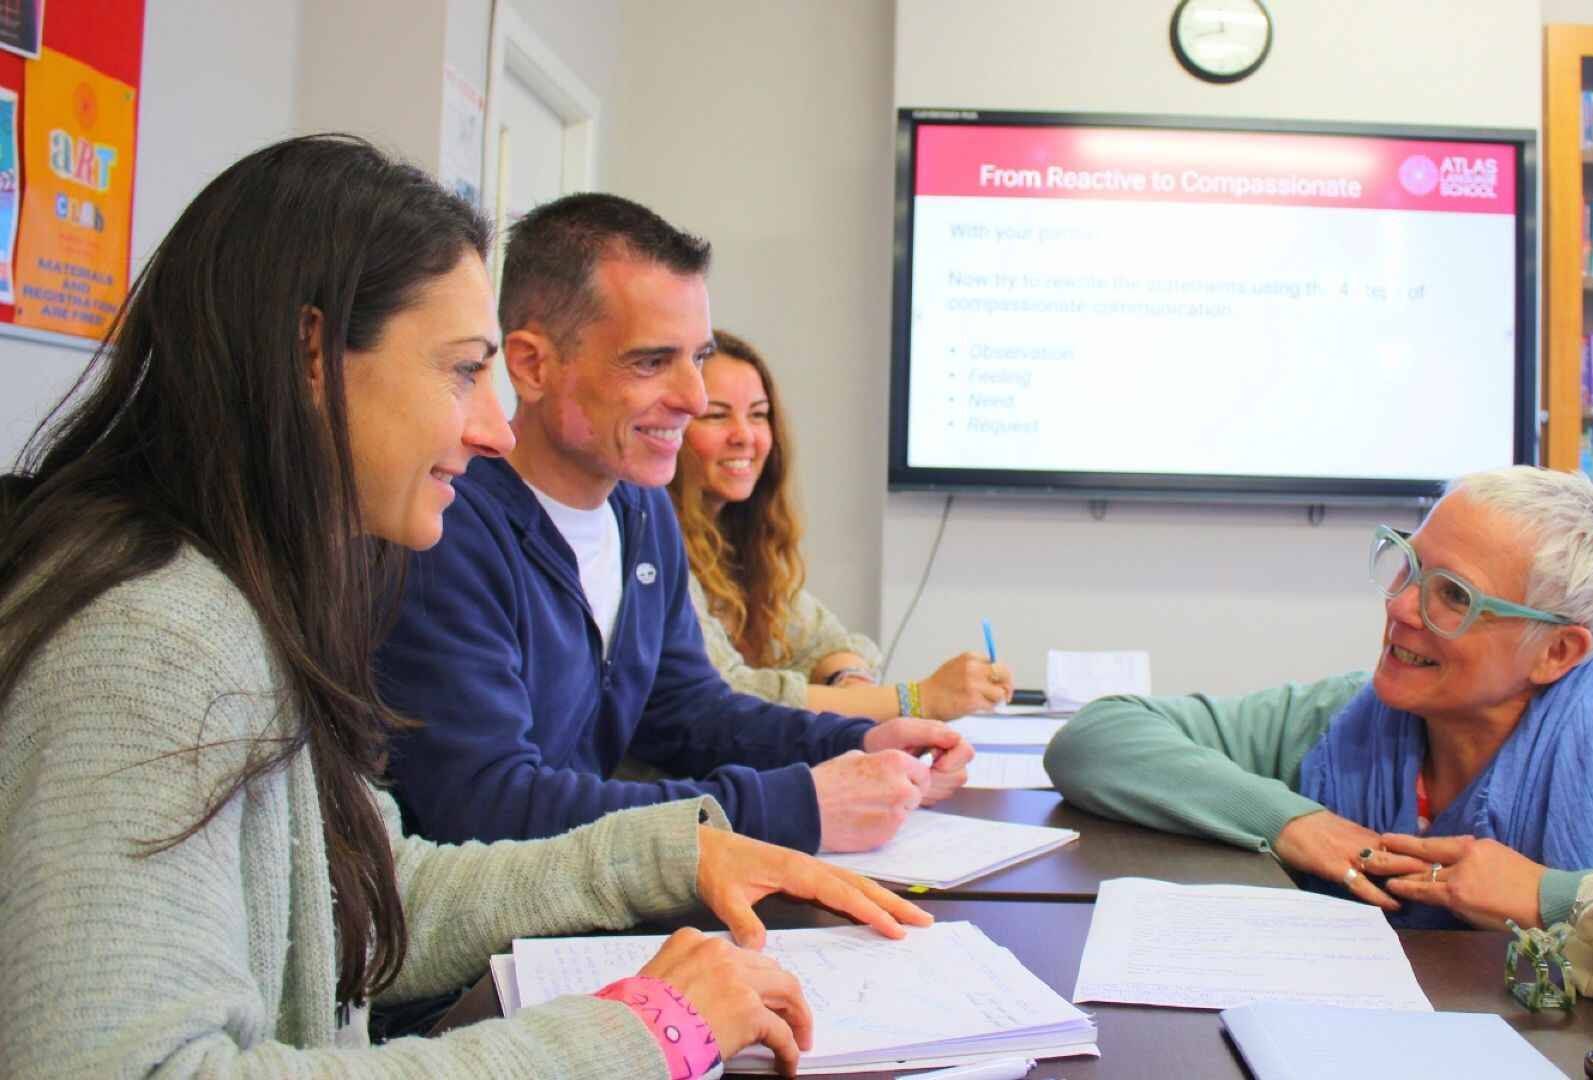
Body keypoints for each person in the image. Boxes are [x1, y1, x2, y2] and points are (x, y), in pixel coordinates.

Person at [0, 136, 933, 1076]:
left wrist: (678, 854)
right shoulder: (150, 642)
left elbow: (378, 896)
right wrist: (647, 1031)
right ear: (312, 357)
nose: (492, 427)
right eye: (460, 371)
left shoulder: (256, 598)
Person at [1045, 466, 1593, 944]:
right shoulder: (1344, 720)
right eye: (1406, 565)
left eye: (1451, 595)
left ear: (1559, 650)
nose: (1399, 607)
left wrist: (1565, 895)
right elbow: (1097, 738)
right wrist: (1293, 822)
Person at [375, 195, 971, 855]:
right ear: (533, 365)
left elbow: (686, 711)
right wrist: (792, 805)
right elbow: (486, 804)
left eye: (698, 356)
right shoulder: (445, 530)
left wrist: (853, 742)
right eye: (651, 361)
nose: (692, 396)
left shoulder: (639, 506)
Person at [667, 330, 1010, 721]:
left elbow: (826, 642)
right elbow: (728, 695)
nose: (745, 436)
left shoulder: (737, 543)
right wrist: (916, 699)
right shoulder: (657, 547)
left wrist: (849, 680)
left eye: (759, 415)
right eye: (716, 415)